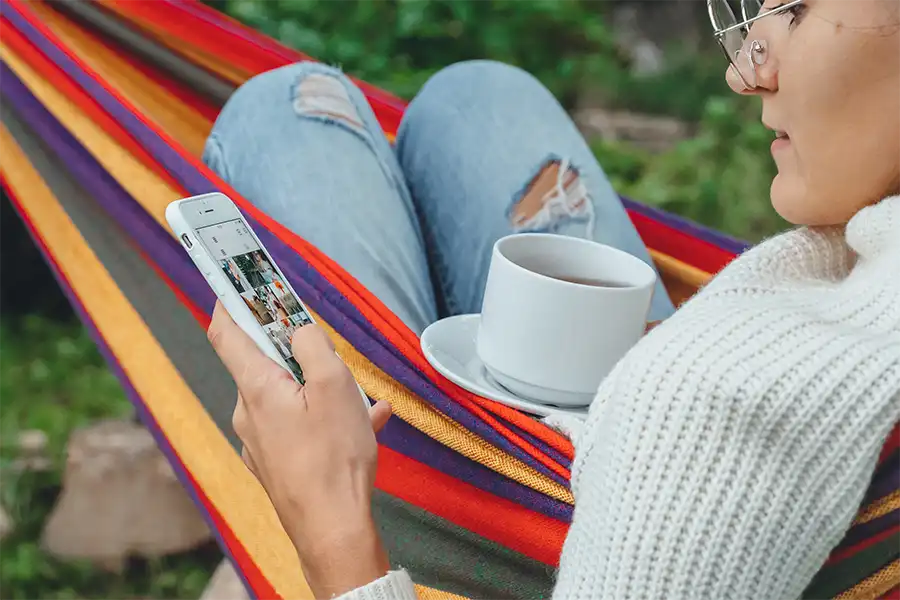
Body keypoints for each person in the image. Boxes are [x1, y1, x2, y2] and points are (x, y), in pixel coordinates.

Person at [203, 1, 900, 598]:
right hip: (585, 442)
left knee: (281, 108)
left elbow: (712, 432)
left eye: (797, 9)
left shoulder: (709, 403)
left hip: (489, 548)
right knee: (479, 98)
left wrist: (334, 538)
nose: (746, 72)